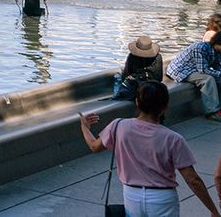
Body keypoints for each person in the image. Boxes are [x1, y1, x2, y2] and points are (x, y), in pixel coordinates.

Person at [81, 82, 220, 217]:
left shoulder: (118, 126)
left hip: (131, 195)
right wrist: (213, 210)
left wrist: (85, 127)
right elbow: (193, 180)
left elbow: (94, 146)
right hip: (162, 199)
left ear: (137, 102)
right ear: (164, 106)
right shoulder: (173, 139)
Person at [166, 37, 221, 120]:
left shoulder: (217, 51)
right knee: (208, 79)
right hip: (180, 71)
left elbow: (218, 67)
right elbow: (203, 70)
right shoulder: (200, 48)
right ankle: (212, 112)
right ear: (217, 44)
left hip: (194, 69)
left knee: (218, 78)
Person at [114, 36, 165, 101]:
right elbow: (159, 77)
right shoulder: (158, 57)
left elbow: (125, 76)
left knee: (117, 76)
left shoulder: (132, 57)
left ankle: (116, 96)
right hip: (152, 87)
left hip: (135, 90)